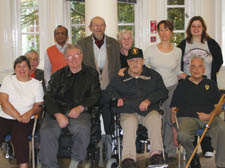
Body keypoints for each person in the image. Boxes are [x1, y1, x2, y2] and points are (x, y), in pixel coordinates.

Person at [40, 44, 101, 168]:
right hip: (57, 111)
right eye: (70, 56)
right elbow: (48, 97)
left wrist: (80, 107)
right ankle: (49, 165)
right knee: (46, 132)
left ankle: (76, 162)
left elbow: (95, 95)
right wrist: (57, 114)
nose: (74, 59)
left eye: (77, 55)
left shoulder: (91, 74)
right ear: (65, 58)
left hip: (80, 111)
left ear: (82, 56)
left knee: (82, 128)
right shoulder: (58, 75)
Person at [106, 48, 168, 168]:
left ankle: (156, 154)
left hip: (148, 110)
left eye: (138, 60)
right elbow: (109, 91)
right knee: (130, 122)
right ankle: (128, 158)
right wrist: (117, 97)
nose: (135, 63)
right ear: (128, 62)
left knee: (155, 118)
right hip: (127, 111)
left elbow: (163, 92)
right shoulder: (120, 77)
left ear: (143, 61)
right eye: (132, 60)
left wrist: (149, 100)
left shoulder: (153, 75)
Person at [178, 16, 223, 158]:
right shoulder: (183, 44)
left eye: (199, 26)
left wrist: (208, 76)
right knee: (191, 114)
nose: (196, 28)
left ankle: (207, 146)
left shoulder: (211, 43)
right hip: (189, 85)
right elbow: (177, 63)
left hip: (207, 85)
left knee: (208, 114)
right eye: (193, 26)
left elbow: (219, 60)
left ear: (203, 28)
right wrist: (186, 77)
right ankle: (191, 150)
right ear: (189, 29)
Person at [77, 16, 120, 161]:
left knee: (108, 113)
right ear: (90, 27)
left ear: (105, 27)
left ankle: (109, 147)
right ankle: (92, 147)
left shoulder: (113, 43)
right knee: (90, 115)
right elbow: (79, 67)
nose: (98, 28)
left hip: (109, 88)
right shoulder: (82, 43)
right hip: (90, 90)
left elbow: (117, 67)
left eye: (101, 25)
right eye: (95, 25)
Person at [171, 56, 225, 168]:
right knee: (183, 135)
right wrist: (174, 130)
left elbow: (219, 107)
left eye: (200, 66)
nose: (196, 69)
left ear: (204, 69)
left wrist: (209, 115)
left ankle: (221, 164)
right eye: (193, 66)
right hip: (187, 118)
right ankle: (193, 156)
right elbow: (173, 109)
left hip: (210, 117)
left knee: (222, 128)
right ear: (189, 69)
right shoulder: (182, 86)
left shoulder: (211, 84)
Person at [144, 20, 186, 159]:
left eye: (167, 30)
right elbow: (142, 68)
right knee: (157, 120)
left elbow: (178, 71)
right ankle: (157, 150)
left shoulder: (178, 51)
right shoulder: (150, 50)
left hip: (172, 88)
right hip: (155, 90)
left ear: (171, 32)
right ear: (158, 32)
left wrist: (192, 78)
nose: (164, 33)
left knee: (169, 119)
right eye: (161, 30)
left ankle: (170, 151)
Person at [0, 56, 44, 168]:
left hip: (26, 119)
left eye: (24, 66)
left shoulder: (36, 84)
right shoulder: (8, 79)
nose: (21, 69)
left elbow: (39, 106)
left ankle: (23, 166)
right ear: (14, 69)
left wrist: (29, 113)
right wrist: (18, 116)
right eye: (18, 66)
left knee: (19, 137)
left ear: (30, 69)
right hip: (5, 116)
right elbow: (4, 102)